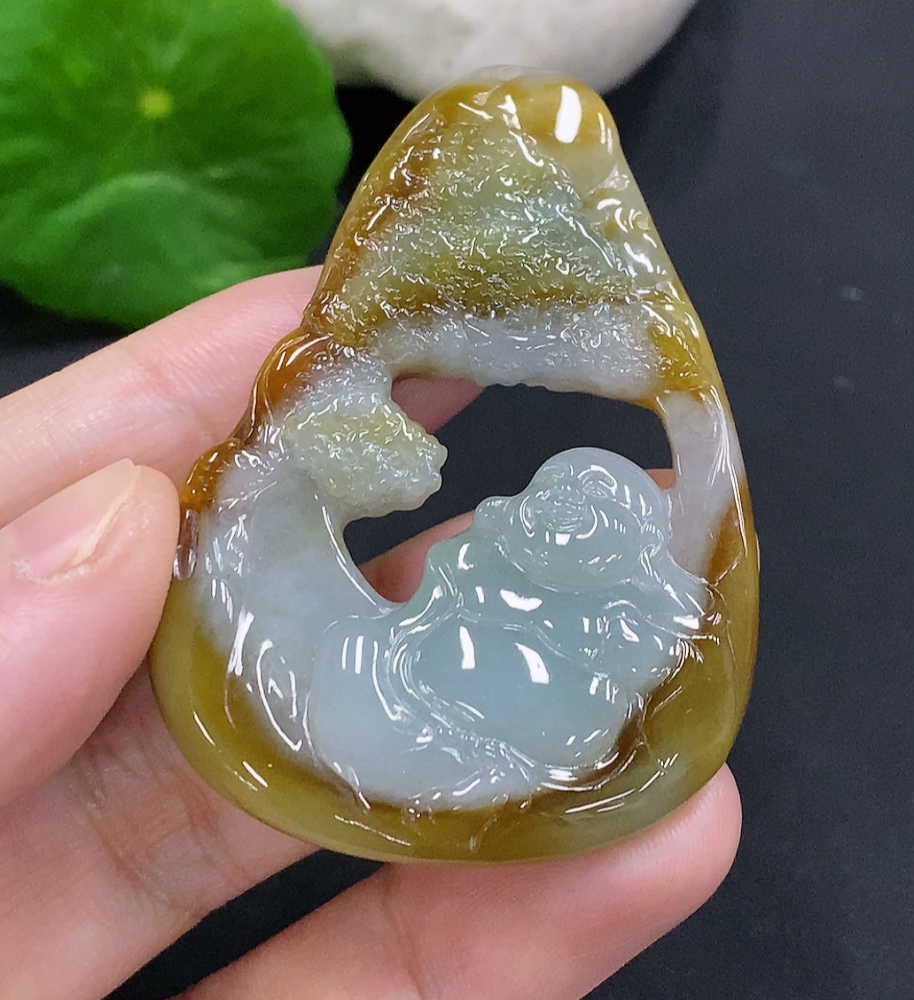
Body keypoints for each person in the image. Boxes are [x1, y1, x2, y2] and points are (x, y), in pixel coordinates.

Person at [0, 268, 741, 998]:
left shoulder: (634, 613)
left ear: (626, 545)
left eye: (584, 519)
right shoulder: (488, 558)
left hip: (484, 728)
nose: (551, 522)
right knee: (364, 673)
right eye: (555, 502)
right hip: (405, 695)